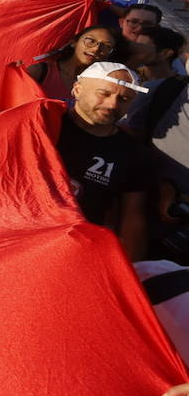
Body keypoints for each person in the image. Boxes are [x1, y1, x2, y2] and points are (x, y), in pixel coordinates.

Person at [54, 62, 157, 260]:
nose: (113, 104)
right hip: (19, 234)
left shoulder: (134, 153)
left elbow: (132, 217)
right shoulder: (43, 124)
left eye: (124, 99)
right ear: (77, 89)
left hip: (74, 251)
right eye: (104, 93)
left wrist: (131, 270)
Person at [26, 25, 120, 108]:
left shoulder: (102, 85)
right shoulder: (40, 72)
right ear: (74, 42)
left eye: (106, 46)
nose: (96, 49)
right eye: (91, 41)